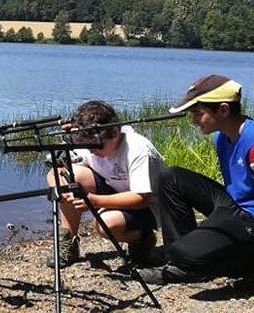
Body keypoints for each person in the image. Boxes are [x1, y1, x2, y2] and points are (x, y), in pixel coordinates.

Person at [138, 75, 254, 308]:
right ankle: (180, 263)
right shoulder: (222, 137)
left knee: (186, 252)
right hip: (238, 205)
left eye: (198, 114)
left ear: (224, 109)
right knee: (170, 176)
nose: (195, 121)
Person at [47, 100, 165, 266]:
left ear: (115, 132)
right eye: (89, 149)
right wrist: (61, 190)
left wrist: (94, 201)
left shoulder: (138, 149)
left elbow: (141, 198)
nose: (93, 152)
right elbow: (55, 172)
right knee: (71, 178)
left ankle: (142, 238)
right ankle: (69, 243)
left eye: (97, 148)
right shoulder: (90, 141)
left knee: (106, 224)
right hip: (115, 190)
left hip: (150, 207)